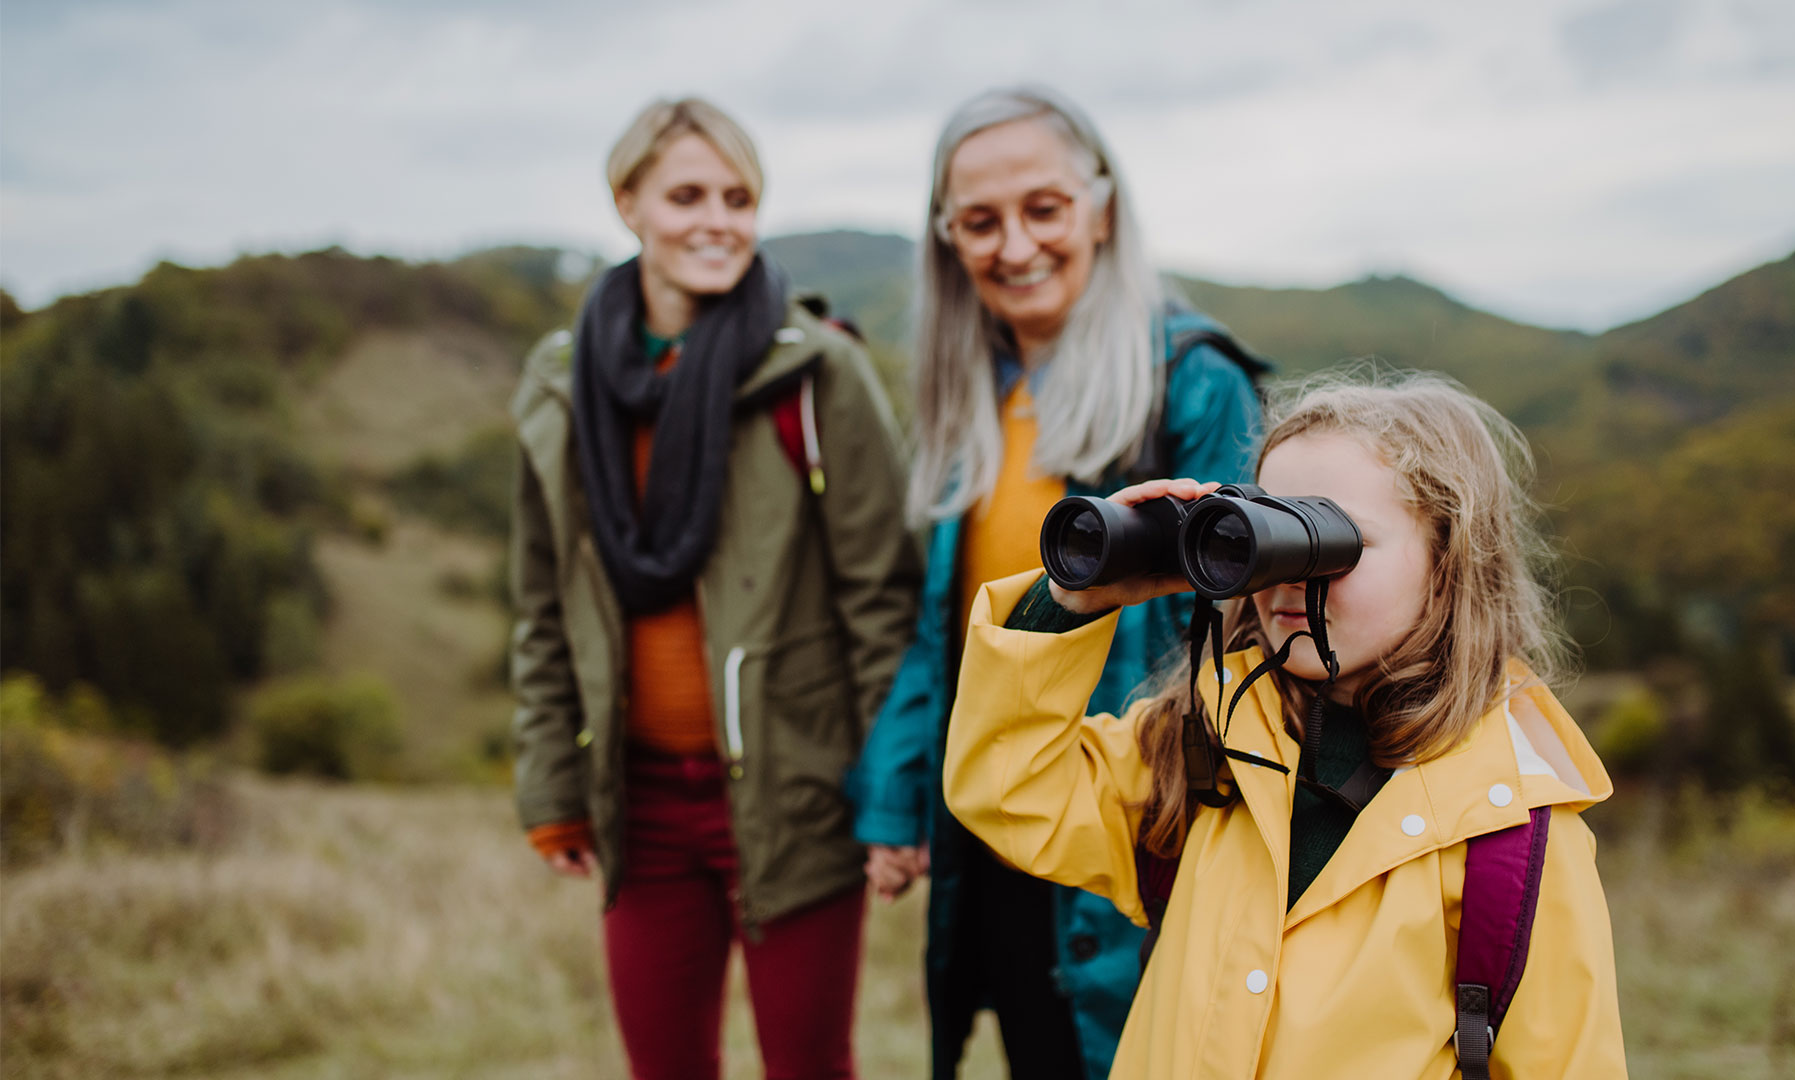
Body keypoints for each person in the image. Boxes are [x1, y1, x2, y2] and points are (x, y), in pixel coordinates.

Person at [942, 370, 1629, 1079]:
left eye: (1334, 540)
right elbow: (1006, 787)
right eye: (1271, 533)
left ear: (1448, 560)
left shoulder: (1512, 838)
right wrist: (1072, 600)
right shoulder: (1199, 751)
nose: (1294, 576)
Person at [846, 85, 1263, 1080]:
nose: (1015, 244)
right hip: (996, 817)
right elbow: (940, 633)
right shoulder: (975, 391)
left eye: (1044, 209)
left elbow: (1244, 634)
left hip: (1125, 835)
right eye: (980, 222)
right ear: (948, 239)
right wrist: (897, 802)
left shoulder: (1196, 383)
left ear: (1101, 208)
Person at [508, 97, 920, 1080]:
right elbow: (541, 604)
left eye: (739, 197)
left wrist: (893, 799)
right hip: (640, 803)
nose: (717, 220)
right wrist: (552, 787)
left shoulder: (821, 374)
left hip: (800, 794)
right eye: (686, 194)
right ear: (628, 205)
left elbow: (883, 605)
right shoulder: (560, 387)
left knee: (810, 1068)